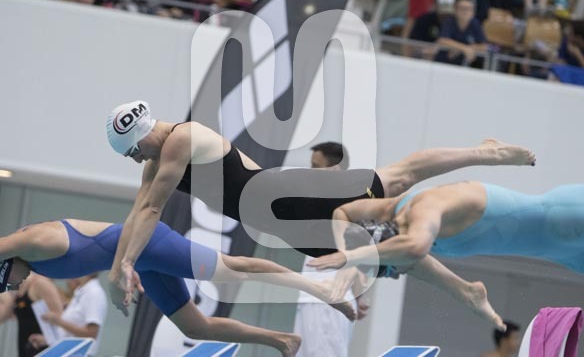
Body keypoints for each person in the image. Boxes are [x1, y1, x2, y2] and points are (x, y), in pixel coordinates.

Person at [105, 101, 535, 309]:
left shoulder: (181, 139)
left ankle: (486, 152)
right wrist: (117, 270)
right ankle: (465, 290)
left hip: (287, 194)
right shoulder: (156, 161)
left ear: (142, 133)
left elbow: (152, 210)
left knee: (396, 178)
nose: (136, 160)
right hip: (279, 222)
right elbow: (137, 212)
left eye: (133, 151)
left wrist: (126, 263)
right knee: (379, 250)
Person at [0, 218, 371, 356]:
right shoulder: (27, 256)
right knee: (195, 327)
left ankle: (323, 289)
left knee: (235, 269)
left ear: (4, 262)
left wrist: (124, 266)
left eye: (6, 283)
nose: (14, 288)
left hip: (151, 245)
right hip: (141, 262)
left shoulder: (34, 241)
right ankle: (282, 341)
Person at [309, 181, 584, 311]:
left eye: (391, 270)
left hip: (565, 216)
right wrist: (353, 266)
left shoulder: (420, 214)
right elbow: (342, 213)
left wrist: (351, 256)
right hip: (565, 253)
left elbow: (412, 249)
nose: (398, 274)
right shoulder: (408, 232)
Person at [293, 142, 370, 357]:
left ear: (335, 169)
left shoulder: (343, 204)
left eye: (316, 166)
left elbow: (357, 252)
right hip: (313, 297)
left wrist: (358, 294)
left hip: (328, 300)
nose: (311, 171)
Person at [28, 273, 108, 356]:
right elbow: (71, 333)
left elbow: (91, 334)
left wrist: (59, 322)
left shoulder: (94, 292)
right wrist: (47, 340)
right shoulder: (80, 291)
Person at [436, 0, 489, 66]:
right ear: (455, 10)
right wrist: (464, 48)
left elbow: (484, 46)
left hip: (466, 64)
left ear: (473, 12)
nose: (465, 11)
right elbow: (442, 40)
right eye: (462, 8)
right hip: (444, 63)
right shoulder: (449, 21)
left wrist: (464, 49)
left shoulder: (475, 24)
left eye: (468, 9)